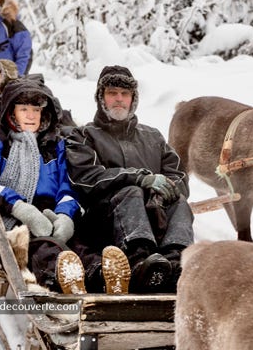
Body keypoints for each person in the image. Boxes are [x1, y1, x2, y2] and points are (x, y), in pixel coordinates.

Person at [65, 65, 194, 293]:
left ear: (133, 99)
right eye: (112, 93)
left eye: (125, 94)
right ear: (101, 97)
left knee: (179, 201)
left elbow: (179, 176)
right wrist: (139, 179)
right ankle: (139, 263)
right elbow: (84, 178)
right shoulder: (84, 136)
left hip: (155, 217)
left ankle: (177, 263)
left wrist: (163, 191)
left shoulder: (152, 136)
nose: (119, 99)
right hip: (104, 224)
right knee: (131, 191)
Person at [0, 79, 81, 292]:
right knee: (41, 247)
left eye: (36, 109)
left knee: (81, 243)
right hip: (12, 217)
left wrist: (65, 215)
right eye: (24, 109)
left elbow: (68, 185)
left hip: (50, 215)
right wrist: (20, 208)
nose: (31, 115)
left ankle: (100, 275)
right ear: (12, 111)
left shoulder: (55, 145)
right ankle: (62, 286)